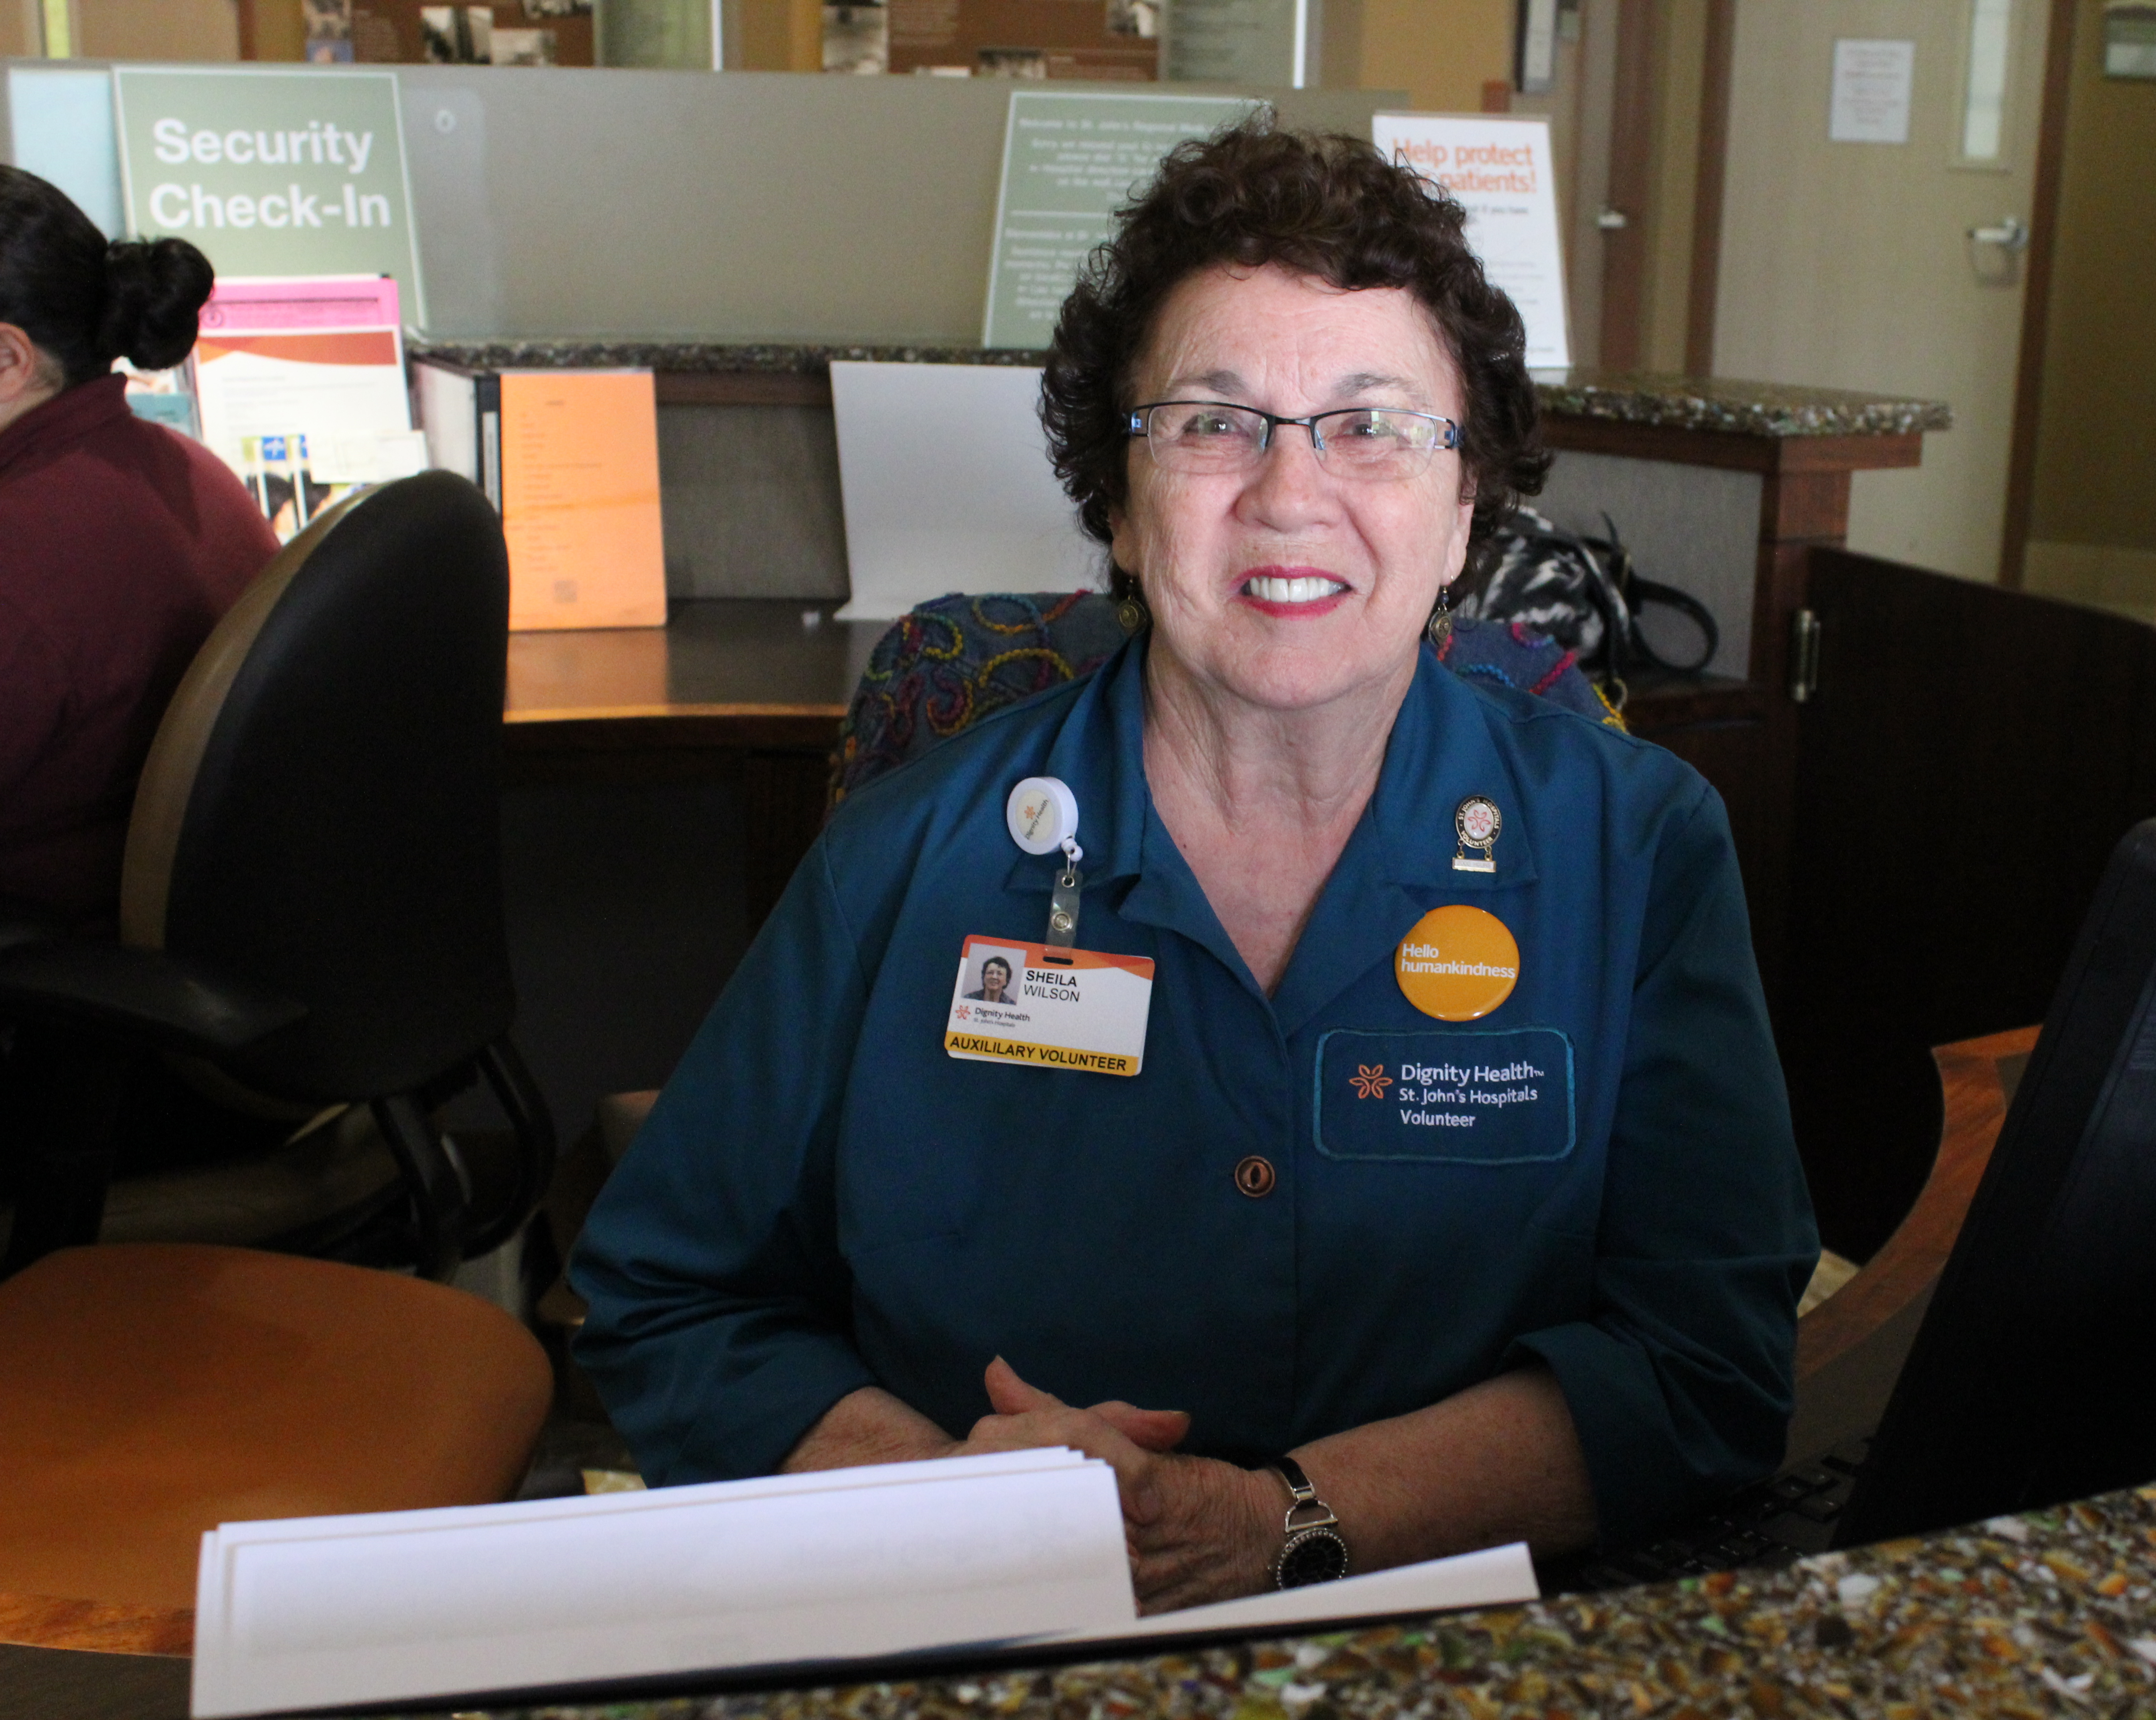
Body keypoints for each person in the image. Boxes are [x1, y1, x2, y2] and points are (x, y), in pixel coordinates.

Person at [572, 121, 1816, 1610]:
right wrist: (936, 1504)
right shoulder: (909, 856)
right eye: (1215, 422)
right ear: (1116, 494)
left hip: (1444, 1633)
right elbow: (667, 1293)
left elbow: (1709, 1364)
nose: (1291, 496)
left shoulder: (1637, 847)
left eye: (1373, 426)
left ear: (1466, 508)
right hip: (975, 1625)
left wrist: (1274, 1519)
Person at [0, 166, 277, 932]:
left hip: (54, 991)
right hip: (197, 963)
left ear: (10, 360)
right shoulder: (185, 469)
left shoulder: (23, 565)